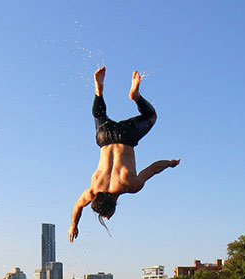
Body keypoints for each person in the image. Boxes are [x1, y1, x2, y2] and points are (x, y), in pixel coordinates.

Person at [68, 67, 180, 242]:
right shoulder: (93, 190)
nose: (108, 217)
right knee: (99, 115)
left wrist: (170, 163)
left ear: (113, 207)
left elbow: (154, 168)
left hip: (127, 137)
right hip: (104, 137)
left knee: (151, 116)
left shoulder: (131, 185)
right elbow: (77, 206)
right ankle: (98, 91)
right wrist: (73, 224)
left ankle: (136, 97)